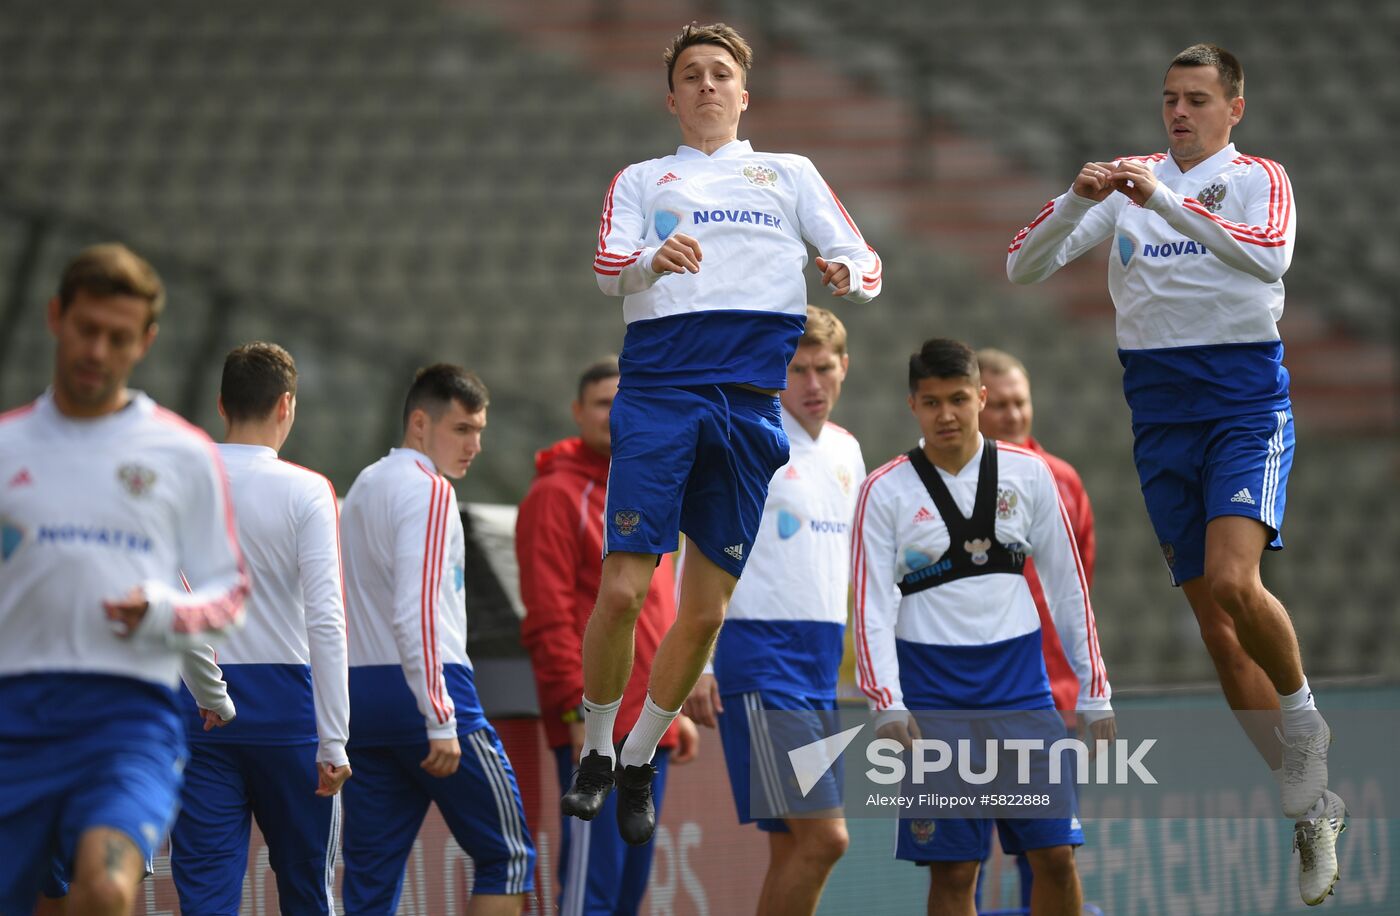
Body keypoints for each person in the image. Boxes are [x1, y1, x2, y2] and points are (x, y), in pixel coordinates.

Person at [1005, 43, 1343, 905]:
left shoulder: (1260, 179)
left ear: (1236, 107)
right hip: (1158, 418)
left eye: (1197, 98)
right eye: (1170, 98)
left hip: (1241, 407)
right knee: (1217, 632)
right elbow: (1023, 265)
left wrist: (1159, 198)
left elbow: (1268, 261)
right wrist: (1072, 202)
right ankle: (1311, 806)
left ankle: (1305, 724)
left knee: (1235, 582)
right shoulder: (1131, 184)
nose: (1179, 112)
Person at [567, 20, 882, 847]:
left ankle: (639, 755)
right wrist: (649, 262)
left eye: (721, 74)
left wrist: (848, 273)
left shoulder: (790, 173)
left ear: (745, 95)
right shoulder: (643, 177)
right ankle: (596, 743)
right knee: (627, 591)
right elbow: (606, 268)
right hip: (664, 390)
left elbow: (862, 255)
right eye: (692, 75)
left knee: (704, 614)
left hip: (748, 403)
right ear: (671, 97)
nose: (707, 85)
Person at [0, 243, 248, 915]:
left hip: (124, 720)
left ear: (146, 342)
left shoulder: (182, 453)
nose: (98, 350)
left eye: (118, 337)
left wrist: (165, 611)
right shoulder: (8, 447)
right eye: (87, 330)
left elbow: (230, 594)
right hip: (14, 715)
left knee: (107, 890)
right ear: (55, 318)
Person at [853, 338, 1112, 916]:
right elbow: (869, 605)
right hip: (934, 701)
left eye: (959, 398)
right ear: (912, 406)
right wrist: (886, 702)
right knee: (953, 874)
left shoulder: (1032, 475)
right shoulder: (884, 489)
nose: (946, 413)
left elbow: (1071, 590)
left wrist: (1096, 690)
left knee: (1055, 858)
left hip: (1022, 693)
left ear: (981, 398)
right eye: (931, 402)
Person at [684, 305, 864, 916]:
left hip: (818, 668)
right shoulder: (748, 438)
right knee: (826, 837)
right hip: (759, 657)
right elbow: (702, 551)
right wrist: (699, 664)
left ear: (845, 367)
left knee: (792, 845)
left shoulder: (847, 451)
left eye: (823, 368)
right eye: (797, 370)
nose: (811, 384)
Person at [340, 364, 534, 915]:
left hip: (364, 700)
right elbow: (417, 611)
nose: (474, 445)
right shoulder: (429, 489)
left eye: (480, 431)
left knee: (370, 882)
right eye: (462, 429)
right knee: (509, 857)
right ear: (420, 424)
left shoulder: (364, 485)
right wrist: (439, 717)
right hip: (429, 693)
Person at [168, 342, 351, 915]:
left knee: (205, 895)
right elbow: (326, 616)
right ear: (286, 405)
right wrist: (335, 736)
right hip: (289, 711)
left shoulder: (180, 482)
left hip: (197, 706)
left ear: (222, 404)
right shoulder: (307, 489)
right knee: (306, 893)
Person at [517, 357, 700, 916]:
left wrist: (674, 710)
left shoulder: (655, 487)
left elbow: (661, 614)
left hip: (648, 729)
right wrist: (577, 717)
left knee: (626, 892)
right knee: (589, 893)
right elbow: (548, 621)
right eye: (602, 402)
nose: (616, 413)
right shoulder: (554, 495)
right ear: (577, 412)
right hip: (593, 728)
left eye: (625, 400)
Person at [976, 347, 1095, 910]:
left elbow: (1078, 587)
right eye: (998, 405)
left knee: (1048, 854)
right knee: (961, 861)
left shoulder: (1063, 482)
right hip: (967, 697)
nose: (1013, 415)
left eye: (1020, 403)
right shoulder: (942, 482)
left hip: (1048, 695)